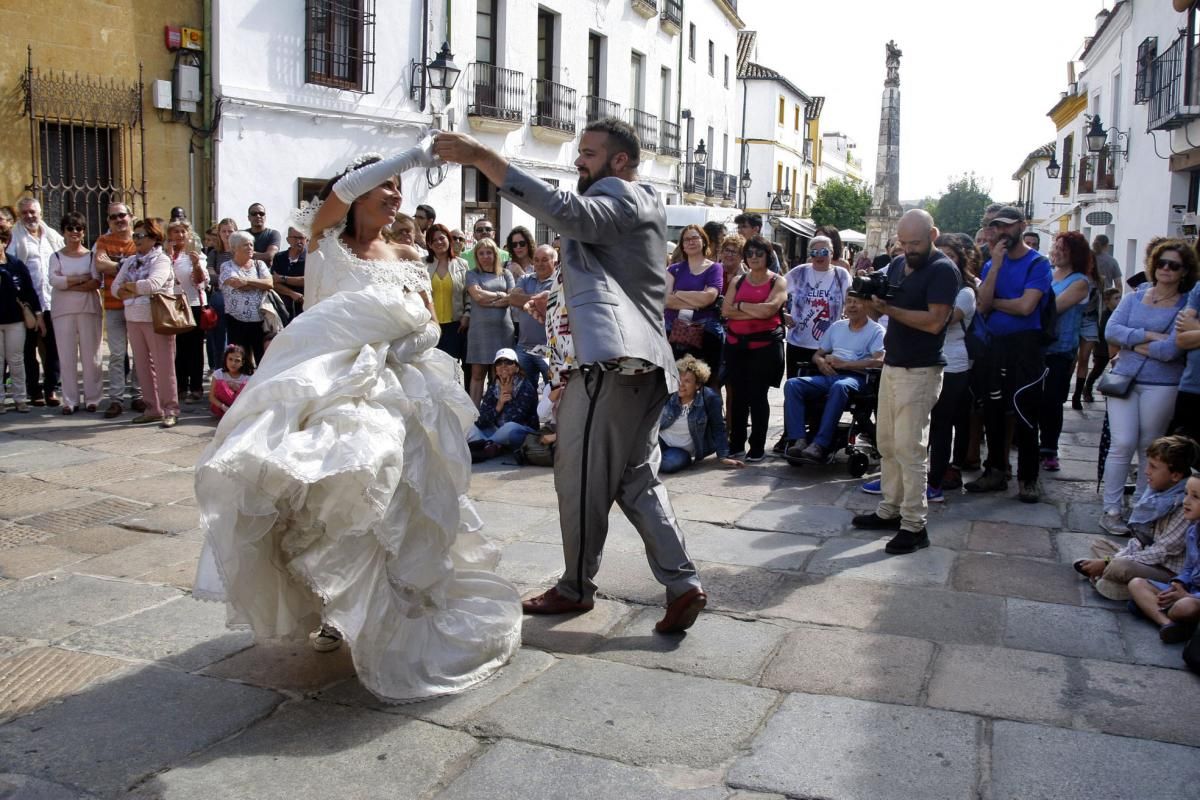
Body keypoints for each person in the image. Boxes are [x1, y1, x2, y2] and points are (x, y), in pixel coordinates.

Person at [193, 141, 521, 702]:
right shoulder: (325, 244)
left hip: (400, 389)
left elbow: (428, 325)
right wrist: (410, 158)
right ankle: (329, 608)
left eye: (400, 191)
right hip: (330, 389)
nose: (396, 198)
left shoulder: (408, 257)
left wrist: (405, 336)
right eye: (386, 188)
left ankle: (389, 613)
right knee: (323, 496)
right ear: (360, 192)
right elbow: (338, 194)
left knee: (397, 503)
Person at [436, 118, 708, 634]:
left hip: (611, 367)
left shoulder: (617, 196)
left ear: (619, 161)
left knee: (578, 480)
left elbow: (567, 212)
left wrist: (482, 158)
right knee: (637, 480)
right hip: (645, 367)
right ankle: (682, 583)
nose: (578, 161)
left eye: (587, 153)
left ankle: (575, 587)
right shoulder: (646, 203)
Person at [851, 209, 960, 555]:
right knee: (887, 442)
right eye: (904, 242)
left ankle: (915, 525)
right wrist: (869, 299)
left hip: (922, 369)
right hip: (894, 365)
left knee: (911, 447)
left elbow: (934, 321)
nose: (909, 249)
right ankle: (890, 509)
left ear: (933, 235)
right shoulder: (898, 265)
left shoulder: (943, 270)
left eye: (915, 242)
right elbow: (877, 313)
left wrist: (890, 310)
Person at [1098, 239, 1193, 535]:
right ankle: (1111, 508)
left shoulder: (1187, 305)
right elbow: (1111, 331)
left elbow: (1171, 351)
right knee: (1122, 442)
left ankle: (1143, 506)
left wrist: (1133, 344)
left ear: (1183, 271)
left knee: (1148, 446)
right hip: (1124, 380)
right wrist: (1150, 334)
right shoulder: (1134, 297)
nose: (1166, 269)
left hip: (1161, 383)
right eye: (1162, 262)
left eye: (1173, 265)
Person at [965, 206, 1051, 503]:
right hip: (995, 345)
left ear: (1021, 226)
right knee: (992, 409)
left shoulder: (1038, 263)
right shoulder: (991, 265)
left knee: (1025, 410)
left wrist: (997, 302)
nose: (1002, 231)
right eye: (996, 226)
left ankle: (1029, 478)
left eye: (1007, 226)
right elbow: (982, 305)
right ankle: (996, 471)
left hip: (1026, 346)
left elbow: (1027, 307)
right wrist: (997, 267)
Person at [1074, 435, 1195, 600]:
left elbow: (1162, 551)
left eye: (1153, 467)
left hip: (1169, 571)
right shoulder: (1156, 493)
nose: (1146, 471)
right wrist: (1114, 558)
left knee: (1120, 567)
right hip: (1147, 559)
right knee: (1099, 545)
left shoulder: (1184, 503)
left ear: (1175, 476)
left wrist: (1109, 563)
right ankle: (1108, 576)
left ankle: (1119, 582)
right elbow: (1140, 539)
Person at [782, 293, 884, 464]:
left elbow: (879, 361)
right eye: (849, 302)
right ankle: (798, 439)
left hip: (857, 378)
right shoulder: (838, 326)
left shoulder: (876, 330)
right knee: (793, 384)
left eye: (857, 302)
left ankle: (820, 443)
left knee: (840, 387)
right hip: (831, 374)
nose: (852, 306)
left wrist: (846, 364)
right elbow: (818, 354)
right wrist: (821, 362)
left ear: (866, 306)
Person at [722, 235, 787, 462]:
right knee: (738, 396)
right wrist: (754, 309)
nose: (754, 257)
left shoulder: (777, 281)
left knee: (758, 396)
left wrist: (741, 306)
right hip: (736, 345)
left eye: (759, 253)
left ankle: (757, 446)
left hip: (765, 347)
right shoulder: (737, 281)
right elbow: (726, 311)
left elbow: (770, 311)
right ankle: (736, 443)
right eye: (749, 253)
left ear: (768, 255)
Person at [111, 218, 180, 428]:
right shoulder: (130, 261)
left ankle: (171, 409)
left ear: (153, 238)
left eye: (140, 235)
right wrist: (133, 288)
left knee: (164, 366)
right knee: (142, 366)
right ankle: (152, 408)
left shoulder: (161, 260)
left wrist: (129, 288)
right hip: (133, 318)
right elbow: (115, 288)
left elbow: (153, 284)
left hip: (157, 318)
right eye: (135, 235)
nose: (136, 239)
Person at [1037, 232, 1093, 471]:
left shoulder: (1080, 281)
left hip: (1060, 350)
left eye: (1063, 248)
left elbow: (1054, 308)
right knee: (1034, 400)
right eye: (1056, 247)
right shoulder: (1048, 274)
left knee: (1052, 400)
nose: (1056, 251)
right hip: (1037, 347)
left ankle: (1049, 449)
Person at [1127, 469, 1200, 644]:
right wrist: (1178, 583)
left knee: (1183, 607)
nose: (1186, 502)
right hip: (1187, 589)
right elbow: (1189, 568)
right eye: (1185, 494)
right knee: (1136, 584)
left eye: (1195, 497)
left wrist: (1187, 597)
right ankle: (1167, 624)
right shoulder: (1193, 530)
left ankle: (1160, 612)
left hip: (1194, 599)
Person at [8, 197, 63, 407]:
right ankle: (34, 391)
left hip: (51, 301)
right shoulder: (15, 238)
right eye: (25, 213)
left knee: (53, 349)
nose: (30, 216)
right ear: (20, 215)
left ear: (40, 213)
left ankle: (51, 389)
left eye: (33, 212)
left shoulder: (51, 235)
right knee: (28, 349)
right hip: (26, 304)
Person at [48, 212, 103, 414]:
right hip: (63, 311)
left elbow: (95, 281)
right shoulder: (55, 257)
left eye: (78, 228)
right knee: (66, 356)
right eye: (70, 228)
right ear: (63, 232)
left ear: (83, 232)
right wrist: (81, 279)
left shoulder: (90, 256)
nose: (74, 232)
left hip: (89, 309)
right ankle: (70, 400)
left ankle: (93, 398)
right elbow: (54, 281)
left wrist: (69, 282)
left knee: (92, 356)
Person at [94, 202, 142, 418]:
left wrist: (116, 264)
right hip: (114, 306)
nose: (119, 220)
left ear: (130, 216)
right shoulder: (103, 240)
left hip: (137, 305)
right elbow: (100, 265)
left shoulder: (139, 239)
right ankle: (116, 399)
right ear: (108, 221)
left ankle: (139, 395)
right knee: (116, 354)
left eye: (122, 215)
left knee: (140, 352)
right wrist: (127, 264)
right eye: (114, 217)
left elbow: (143, 267)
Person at [658, 354, 741, 473]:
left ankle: (653, 461)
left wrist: (723, 456)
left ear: (697, 385)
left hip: (681, 450)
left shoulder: (710, 399)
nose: (681, 385)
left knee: (669, 465)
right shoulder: (670, 394)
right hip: (660, 440)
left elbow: (718, 428)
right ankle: (651, 459)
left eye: (687, 381)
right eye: (679, 379)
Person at [665, 224, 724, 382]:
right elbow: (665, 300)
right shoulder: (674, 269)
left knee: (703, 384)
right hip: (674, 333)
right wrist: (697, 302)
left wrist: (678, 293)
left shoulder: (715, 268)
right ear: (682, 245)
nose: (690, 242)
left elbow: (709, 298)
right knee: (676, 383)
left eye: (694, 238)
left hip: (705, 333)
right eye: (686, 239)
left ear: (703, 241)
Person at [464, 237, 514, 406]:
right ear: (477, 256)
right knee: (477, 375)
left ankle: (498, 413)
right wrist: (501, 296)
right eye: (481, 253)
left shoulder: (506, 274)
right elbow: (477, 297)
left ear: (495, 254)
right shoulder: (471, 274)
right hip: (480, 332)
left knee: (501, 374)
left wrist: (491, 298)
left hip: (503, 331)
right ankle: (474, 416)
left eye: (489, 252)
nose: (485, 256)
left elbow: (512, 298)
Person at [1075, 234, 1123, 406]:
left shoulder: (1098, 276)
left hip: (1094, 318)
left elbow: (1114, 289)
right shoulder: (1110, 262)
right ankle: (1083, 390)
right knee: (1087, 359)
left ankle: (1081, 393)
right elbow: (1119, 286)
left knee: (1089, 359)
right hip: (1087, 318)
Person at [468, 347, 539, 461]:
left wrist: (508, 396)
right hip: (496, 431)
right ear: (495, 369)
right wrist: (498, 405)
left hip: (521, 431)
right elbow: (481, 420)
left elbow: (515, 419)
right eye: (499, 363)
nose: (503, 366)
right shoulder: (494, 387)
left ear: (516, 367)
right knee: (470, 427)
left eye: (508, 362)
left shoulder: (525, 387)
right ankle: (492, 445)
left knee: (510, 429)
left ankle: (485, 444)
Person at [167, 219, 209, 404]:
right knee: (177, 348)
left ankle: (197, 387)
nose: (179, 235)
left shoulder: (195, 255)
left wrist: (196, 264)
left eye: (183, 231)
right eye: (175, 231)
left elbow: (200, 282)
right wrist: (167, 258)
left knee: (195, 348)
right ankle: (181, 386)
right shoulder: (164, 256)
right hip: (172, 305)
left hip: (192, 304)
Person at [220, 231, 275, 365]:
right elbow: (236, 284)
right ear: (234, 248)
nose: (250, 247)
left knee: (262, 360)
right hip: (236, 321)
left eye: (251, 244)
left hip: (259, 321)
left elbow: (269, 284)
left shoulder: (259, 264)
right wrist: (257, 283)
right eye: (246, 245)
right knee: (241, 362)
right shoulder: (227, 266)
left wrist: (247, 281)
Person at [0, 227, 38, 413]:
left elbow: (29, 291)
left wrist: (37, 314)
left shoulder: (16, 264)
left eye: (1, 240)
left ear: (5, 242)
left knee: (16, 360)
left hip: (15, 320)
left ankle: (20, 398)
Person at [508, 243, 555, 388]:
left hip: (549, 349)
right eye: (536, 260)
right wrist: (540, 299)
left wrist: (526, 298)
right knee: (524, 393)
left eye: (545, 259)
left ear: (555, 261)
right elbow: (513, 299)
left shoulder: (560, 283)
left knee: (552, 391)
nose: (539, 264)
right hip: (524, 347)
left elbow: (519, 298)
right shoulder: (526, 278)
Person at [425, 223, 472, 361]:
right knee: (430, 366)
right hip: (429, 325)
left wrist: (467, 315)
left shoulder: (462, 264)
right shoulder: (422, 264)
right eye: (433, 240)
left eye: (442, 238)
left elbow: (468, 294)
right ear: (429, 244)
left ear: (448, 240)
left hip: (455, 326)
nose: (438, 242)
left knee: (450, 366)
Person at [204, 217, 238, 375]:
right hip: (220, 296)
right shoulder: (214, 253)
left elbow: (243, 273)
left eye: (230, 231)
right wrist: (228, 279)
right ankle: (220, 371)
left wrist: (228, 278)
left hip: (239, 296)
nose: (227, 234)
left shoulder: (240, 251)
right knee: (219, 337)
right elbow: (210, 274)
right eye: (223, 231)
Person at [271, 227, 307, 321]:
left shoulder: (311, 258)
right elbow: (273, 281)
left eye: (302, 238)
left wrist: (282, 278)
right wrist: (292, 293)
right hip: (282, 307)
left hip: (305, 307)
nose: (299, 241)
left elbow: (308, 280)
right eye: (295, 238)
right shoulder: (279, 257)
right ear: (288, 240)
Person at [209, 343, 249, 419]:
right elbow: (211, 397)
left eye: (237, 360)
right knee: (220, 384)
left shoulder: (247, 377)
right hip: (221, 409)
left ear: (242, 363)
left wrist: (238, 389)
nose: (233, 363)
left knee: (245, 386)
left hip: (240, 409)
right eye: (230, 359)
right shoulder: (218, 374)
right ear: (225, 359)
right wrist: (224, 407)